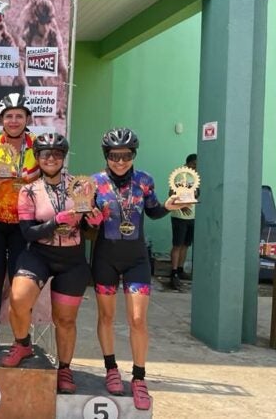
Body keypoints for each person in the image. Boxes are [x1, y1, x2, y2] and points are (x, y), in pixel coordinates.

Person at [0, 133, 102, 396]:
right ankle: (23, 344)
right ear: (38, 157)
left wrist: (94, 221)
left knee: (65, 320)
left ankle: (64, 368)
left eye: (57, 153)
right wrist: (56, 221)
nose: (51, 158)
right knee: (18, 299)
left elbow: (89, 230)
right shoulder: (28, 190)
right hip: (39, 254)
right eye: (45, 154)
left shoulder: (81, 187)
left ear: (64, 157)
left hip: (72, 259)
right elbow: (28, 233)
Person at [91, 128, 180, 410]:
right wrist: (88, 219)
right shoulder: (94, 183)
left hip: (137, 260)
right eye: (114, 156)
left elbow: (153, 211)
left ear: (134, 155)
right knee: (106, 316)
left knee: (138, 319)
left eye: (126, 156)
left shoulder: (144, 181)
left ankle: (139, 378)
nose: (120, 161)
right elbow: (86, 223)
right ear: (106, 155)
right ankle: (111, 369)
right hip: (105, 258)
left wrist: (167, 206)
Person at [0, 93, 40, 354]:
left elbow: (49, 177)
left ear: (27, 119)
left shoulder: (38, 146)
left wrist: (31, 176)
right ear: (1, 120)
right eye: (9, 116)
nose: (14, 121)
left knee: (19, 281)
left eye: (19, 116)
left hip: (23, 225)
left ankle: (20, 336)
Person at [169, 153, 198, 290]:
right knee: (177, 245)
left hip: (192, 216)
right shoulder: (180, 175)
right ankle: (174, 273)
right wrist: (181, 205)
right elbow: (171, 194)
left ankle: (180, 270)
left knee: (186, 245)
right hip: (179, 216)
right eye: (195, 165)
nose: (197, 167)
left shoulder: (195, 176)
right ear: (190, 163)